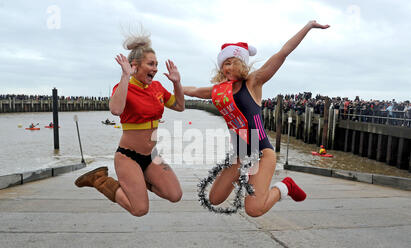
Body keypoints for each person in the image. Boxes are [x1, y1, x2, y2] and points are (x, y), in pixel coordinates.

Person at [184, 20, 329, 217]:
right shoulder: (219, 91)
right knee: (214, 198)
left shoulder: (253, 82)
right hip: (240, 154)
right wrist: (170, 86)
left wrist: (309, 26)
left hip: (262, 153)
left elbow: (283, 52)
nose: (227, 68)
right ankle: (243, 178)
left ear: (241, 63)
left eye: (232, 62)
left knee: (253, 209)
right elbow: (192, 91)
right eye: (224, 64)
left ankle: (284, 187)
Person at [75, 30, 185, 217]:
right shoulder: (125, 87)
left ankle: (140, 181)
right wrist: (125, 76)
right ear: (135, 66)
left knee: (175, 195)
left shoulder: (157, 87)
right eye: (151, 64)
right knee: (139, 209)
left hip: (151, 156)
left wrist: (176, 83)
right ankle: (99, 179)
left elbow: (179, 106)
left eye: (156, 64)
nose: (155, 68)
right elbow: (116, 110)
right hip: (128, 157)